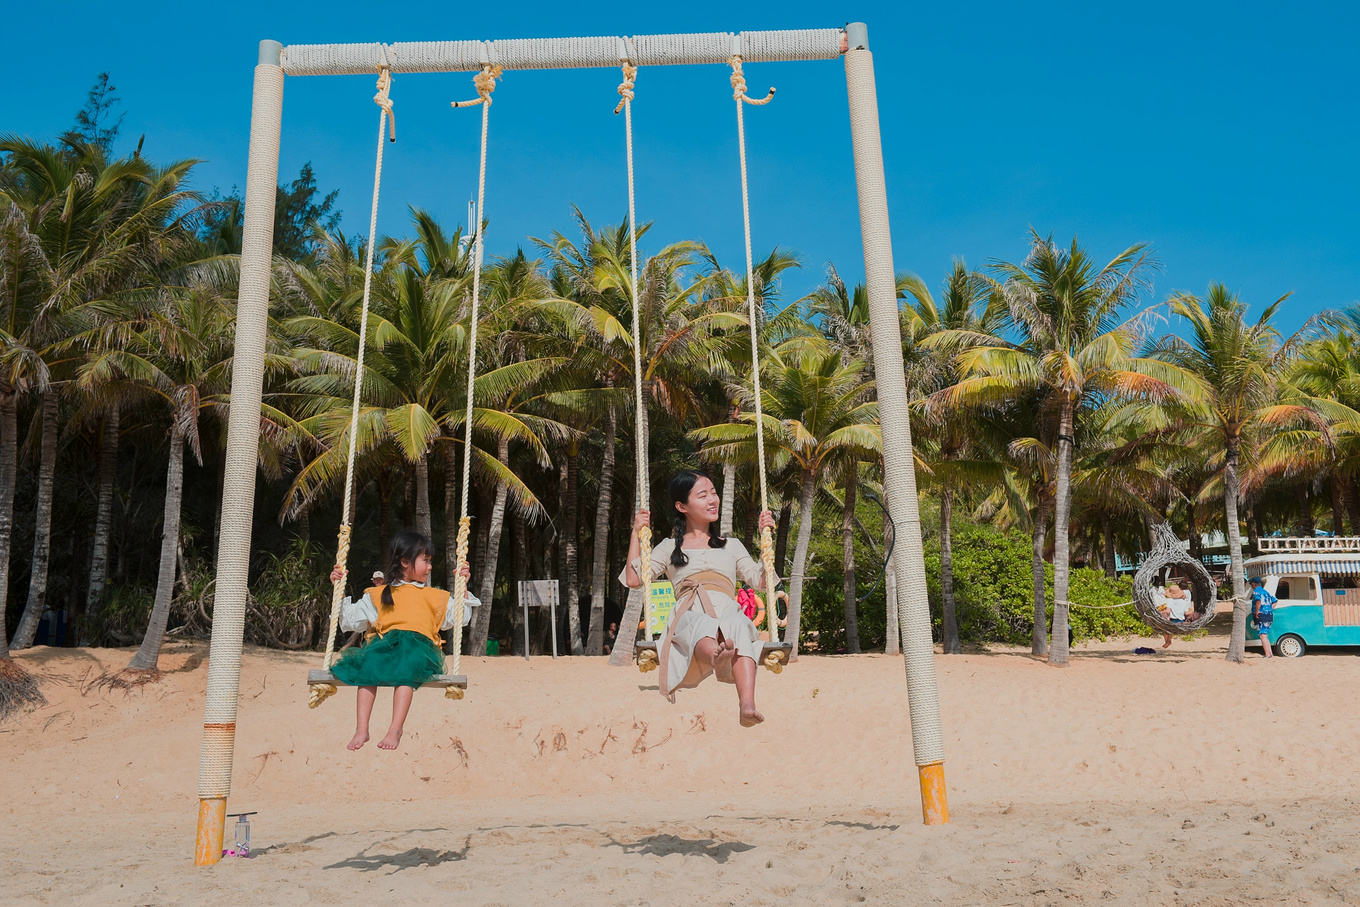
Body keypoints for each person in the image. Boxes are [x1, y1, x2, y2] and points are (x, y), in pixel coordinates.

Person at [622, 469, 777, 727]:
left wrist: (766, 541)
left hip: (726, 607)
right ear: (682, 506)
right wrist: (636, 533)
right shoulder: (669, 547)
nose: (712, 500)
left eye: (714, 493)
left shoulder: (732, 545)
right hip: (688, 607)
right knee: (699, 625)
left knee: (737, 625)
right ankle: (718, 659)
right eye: (703, 495)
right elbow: (633, 579)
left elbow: (761, 582)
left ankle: (746, 704)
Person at [327, 531, 479, 751]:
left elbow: (460, 618)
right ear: (405, 561)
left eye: (430, 561)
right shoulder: (378, 594)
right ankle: (362, 728)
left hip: (419, 651)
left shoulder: (435, 596)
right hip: (384, 648)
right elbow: (351, 620)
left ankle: (395, 728)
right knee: (367, 666)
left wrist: (462, 586)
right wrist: (338, 591)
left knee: (407, 665)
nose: (430, 567)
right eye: (425, 560)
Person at [1157, 582, 1201, 649]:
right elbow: (1186, 613)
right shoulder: (1183, 601)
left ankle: (1168, 641)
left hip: (1173, 621)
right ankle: (1168, 641)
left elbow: (1167, 611)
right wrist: (1192, 613)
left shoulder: (1169, 600)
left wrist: (1160, 612)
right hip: (1181, 621)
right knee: (1170, 628)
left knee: (1166, 629)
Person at [1249, 575, 1276, 659]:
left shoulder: (1256, 592)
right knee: (1265, 635)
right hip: (1269, 615)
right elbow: (1275, 601)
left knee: (1262, 635)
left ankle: (1267, 655)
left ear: (1253, 584)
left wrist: (1257, 611)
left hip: (1261, 615)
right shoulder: (1266, 592)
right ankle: (1270, 654)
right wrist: (1269, 609)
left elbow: (1258, 601)